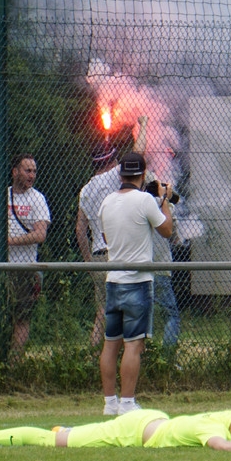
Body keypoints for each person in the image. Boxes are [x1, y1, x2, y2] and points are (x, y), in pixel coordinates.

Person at [98, 152, 173, 415]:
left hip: (113, 281)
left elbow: (106, 237)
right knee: (134, 345)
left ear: (121, 174)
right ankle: (127, 403)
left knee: (111, 344)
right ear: (142, 175)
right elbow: (167, 230)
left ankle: (110, 403)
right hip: (138, 282)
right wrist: (164, 200)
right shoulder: (145, 200)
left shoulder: (107, 201)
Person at [76, 130, 149, 347]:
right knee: (127, 308)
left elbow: (80, 229)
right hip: (117, 254)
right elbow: (138, 154)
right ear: (112, 161)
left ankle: (93, 352)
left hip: (97, 256)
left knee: (102, 310)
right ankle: (128, 351)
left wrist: (88, 261)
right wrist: (143, 124)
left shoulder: (85, 190)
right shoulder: (113, 176)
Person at [0, 154, 51, 358]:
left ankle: (14, 361)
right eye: (27, 170)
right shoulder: (1, 195)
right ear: (15, 171)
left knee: (22, 317)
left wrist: (7, 241)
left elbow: (40, 234)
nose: (32, 175)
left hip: (24, 268)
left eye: (34, 171)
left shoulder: (37, 198)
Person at [0, 409, 231, 451]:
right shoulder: (214, 432)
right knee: (51, 441)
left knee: (72, 433)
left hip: (151, 418)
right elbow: (223, 448)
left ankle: (71, 429)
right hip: (131, 431)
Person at [152, 216, 181, 357]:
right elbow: (174, 236)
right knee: (171, 314)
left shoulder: (135, 205)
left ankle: (145, 354)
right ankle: (167, 356)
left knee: (144, 314)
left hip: (139, 268)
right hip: (161, 267)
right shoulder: (165, 207)